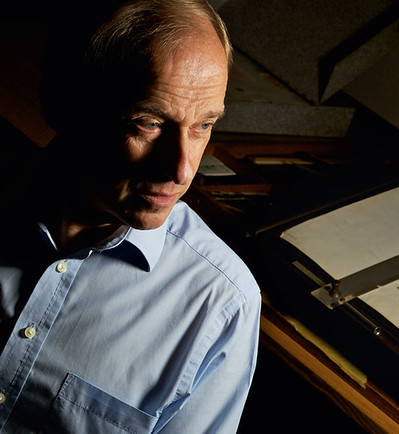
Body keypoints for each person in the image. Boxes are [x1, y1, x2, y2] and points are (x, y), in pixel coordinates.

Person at [0, 1, 261, 432]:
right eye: (149, 123)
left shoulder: (221, 303)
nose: (182, 170)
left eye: (203, 125)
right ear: (66, 106)